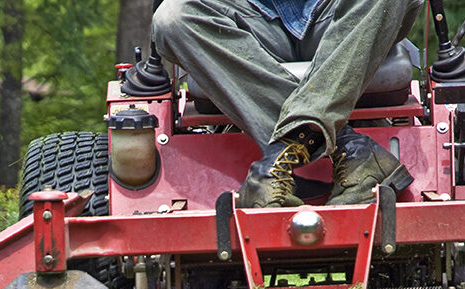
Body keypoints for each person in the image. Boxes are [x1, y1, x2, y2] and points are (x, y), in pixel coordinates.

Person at [151, 0, 424, 207]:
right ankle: (349, 147)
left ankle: (280, 155)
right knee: (172, 17)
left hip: (343, 16)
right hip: (250, 20)